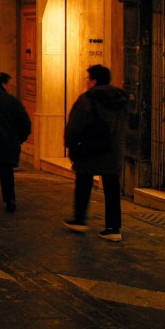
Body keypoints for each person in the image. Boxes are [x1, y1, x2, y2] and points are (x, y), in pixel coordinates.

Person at [63, 64, 129, 242]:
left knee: (84, 182)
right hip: (113, 150)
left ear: (93, 81)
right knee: (112, 188)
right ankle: (113, 227)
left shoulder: (87, 99)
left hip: (90, 148)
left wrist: (70, 144)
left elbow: (74, 126)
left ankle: (80, 219)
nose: (86, 83)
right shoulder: (121, 100)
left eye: (88, 79)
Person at [0, 72, 32, 213]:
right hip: (6, 141)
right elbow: (25, 123)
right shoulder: (12, 101)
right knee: (6, 172)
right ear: (4, 84)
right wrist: (19, 139)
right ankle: (10, 199)